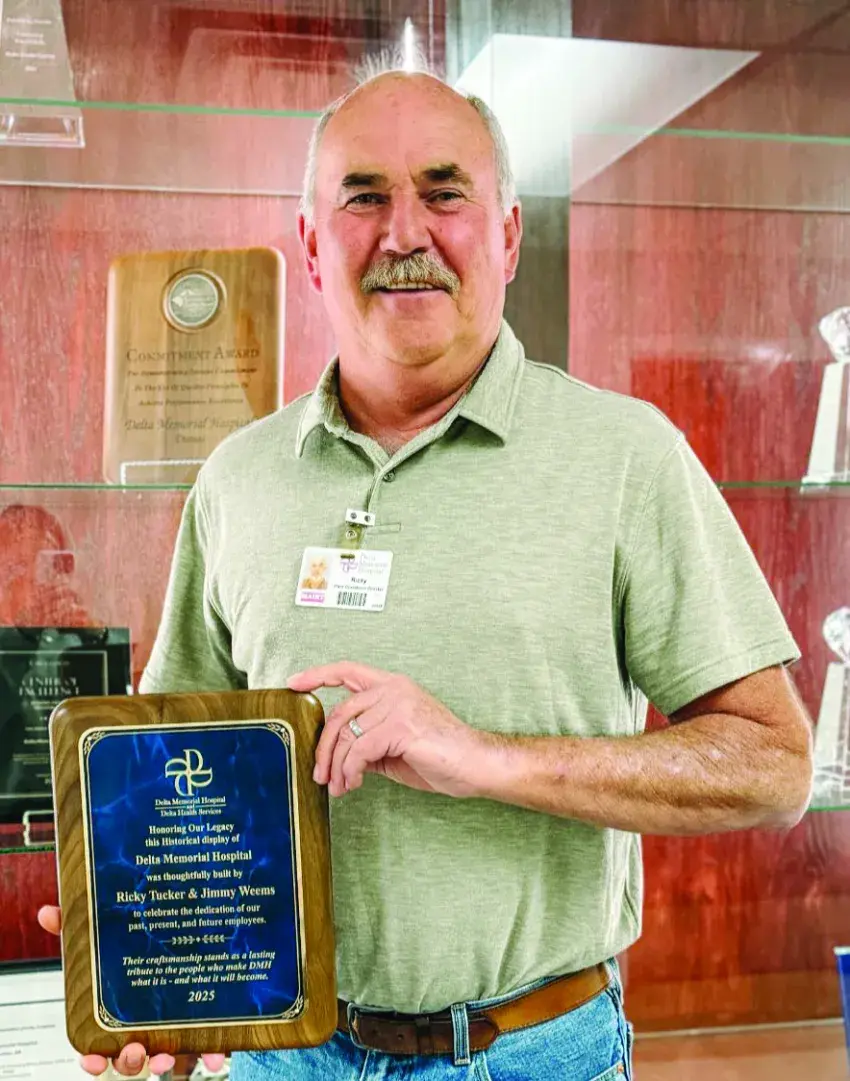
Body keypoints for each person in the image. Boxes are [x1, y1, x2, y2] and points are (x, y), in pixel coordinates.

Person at [38, 66, 814, 1081]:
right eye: (363, 196)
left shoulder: (626, 458)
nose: (404, 232)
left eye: (444, 193)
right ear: (311, 243)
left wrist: (480, 755)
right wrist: (153, 966)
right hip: (287, 1058)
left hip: (537, 1053)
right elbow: (172, 773)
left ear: (507, 234)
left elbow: (773, 764)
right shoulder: (237, 478)